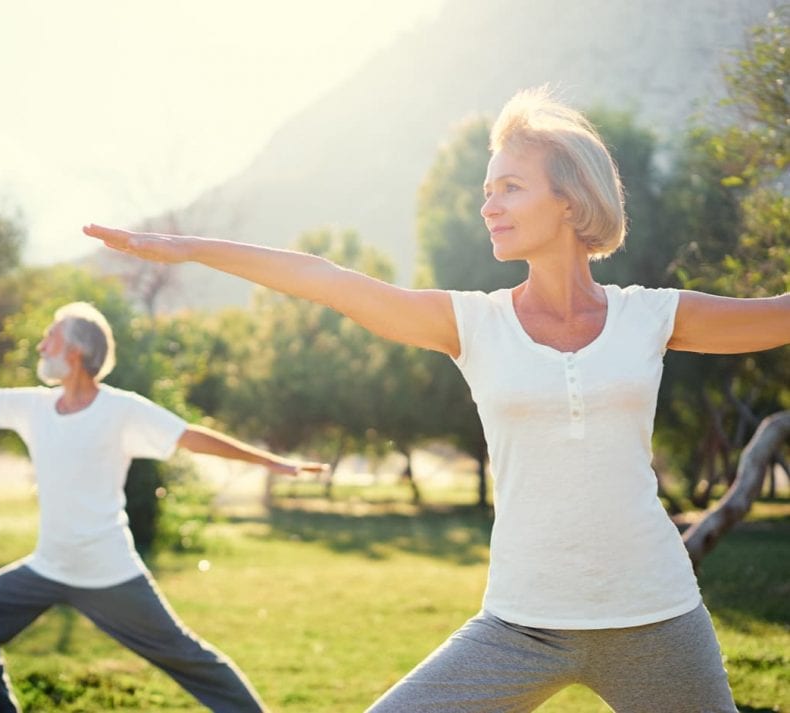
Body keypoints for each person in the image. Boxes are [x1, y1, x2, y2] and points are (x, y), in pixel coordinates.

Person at [83, 87, 789, 712]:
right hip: (521, 624)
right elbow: (326, 279)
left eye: (509, 186)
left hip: (656, 617)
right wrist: (187, 246)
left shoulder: (651, 315)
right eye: (486, 189)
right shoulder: (473, 324)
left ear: (569, 199)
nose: (488, 205)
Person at [0, 301, 326, 713]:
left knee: (189, 659)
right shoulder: (35, 405)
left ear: (75, 352)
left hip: (108, 571)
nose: (41, 346)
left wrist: (274, 463)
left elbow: (191, 437)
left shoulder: (121, 409)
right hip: (48, 566)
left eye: (50, 337)